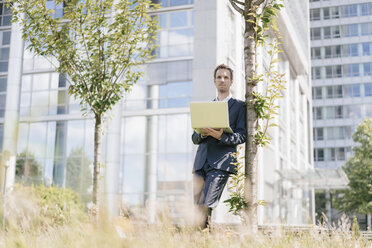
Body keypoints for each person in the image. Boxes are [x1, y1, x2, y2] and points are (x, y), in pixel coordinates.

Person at [192, 64, 247, 230]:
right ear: (214, 81)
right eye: (219, 77)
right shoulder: (206, 107)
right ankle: (202, 238)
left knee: (206, 203)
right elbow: (194, 138)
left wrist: (220, 136)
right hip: (201, 163)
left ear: (231, 82)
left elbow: (242, 136)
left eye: (225, 77)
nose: (222, 80)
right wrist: (203, 133)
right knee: (196, 207)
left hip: (221, 163)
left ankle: (201, 236)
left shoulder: (239, 106)